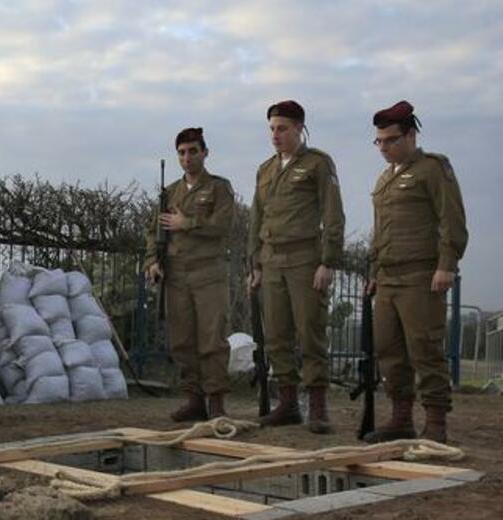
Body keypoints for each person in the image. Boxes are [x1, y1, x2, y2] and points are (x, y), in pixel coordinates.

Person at [363, 100, 467, 444]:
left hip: (421, 275)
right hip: (389, 278)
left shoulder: (432, 169)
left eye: (390, 140)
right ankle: (401, 419)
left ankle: (436, 422)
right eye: (378, 141)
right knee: (389, 350)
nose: (383, 148)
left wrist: (446, 265)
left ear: (410, 134)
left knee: (424, 348)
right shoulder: (384, 178)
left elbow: (450, 219)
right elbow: (381, 230)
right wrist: (376, 270)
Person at [247, 100, 345, 434]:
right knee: (276, 336)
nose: (275, 135)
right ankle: (287, 404)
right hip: (271, 261)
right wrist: (255, 263)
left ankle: (317, 406)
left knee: (311, 332)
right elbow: (256, 218)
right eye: (272, 128)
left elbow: (333, 214)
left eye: (283, 128)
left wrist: (328, 261)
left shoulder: (317, 163)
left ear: (300, 128)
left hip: (305, 259)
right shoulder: (265, 169)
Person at [144, 127, 235, 421]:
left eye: (193, 151)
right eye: (181, 153)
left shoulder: (219, 187)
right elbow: (153, 233)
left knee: (212, 340)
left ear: (205, 152)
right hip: (177, 275)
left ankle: (217, 402)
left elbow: (223, 225)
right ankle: (194, 399)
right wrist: (152, 262)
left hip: (208, 273)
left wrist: (188, 223)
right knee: (182, 341)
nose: (187, 157)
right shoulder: (169, 193)